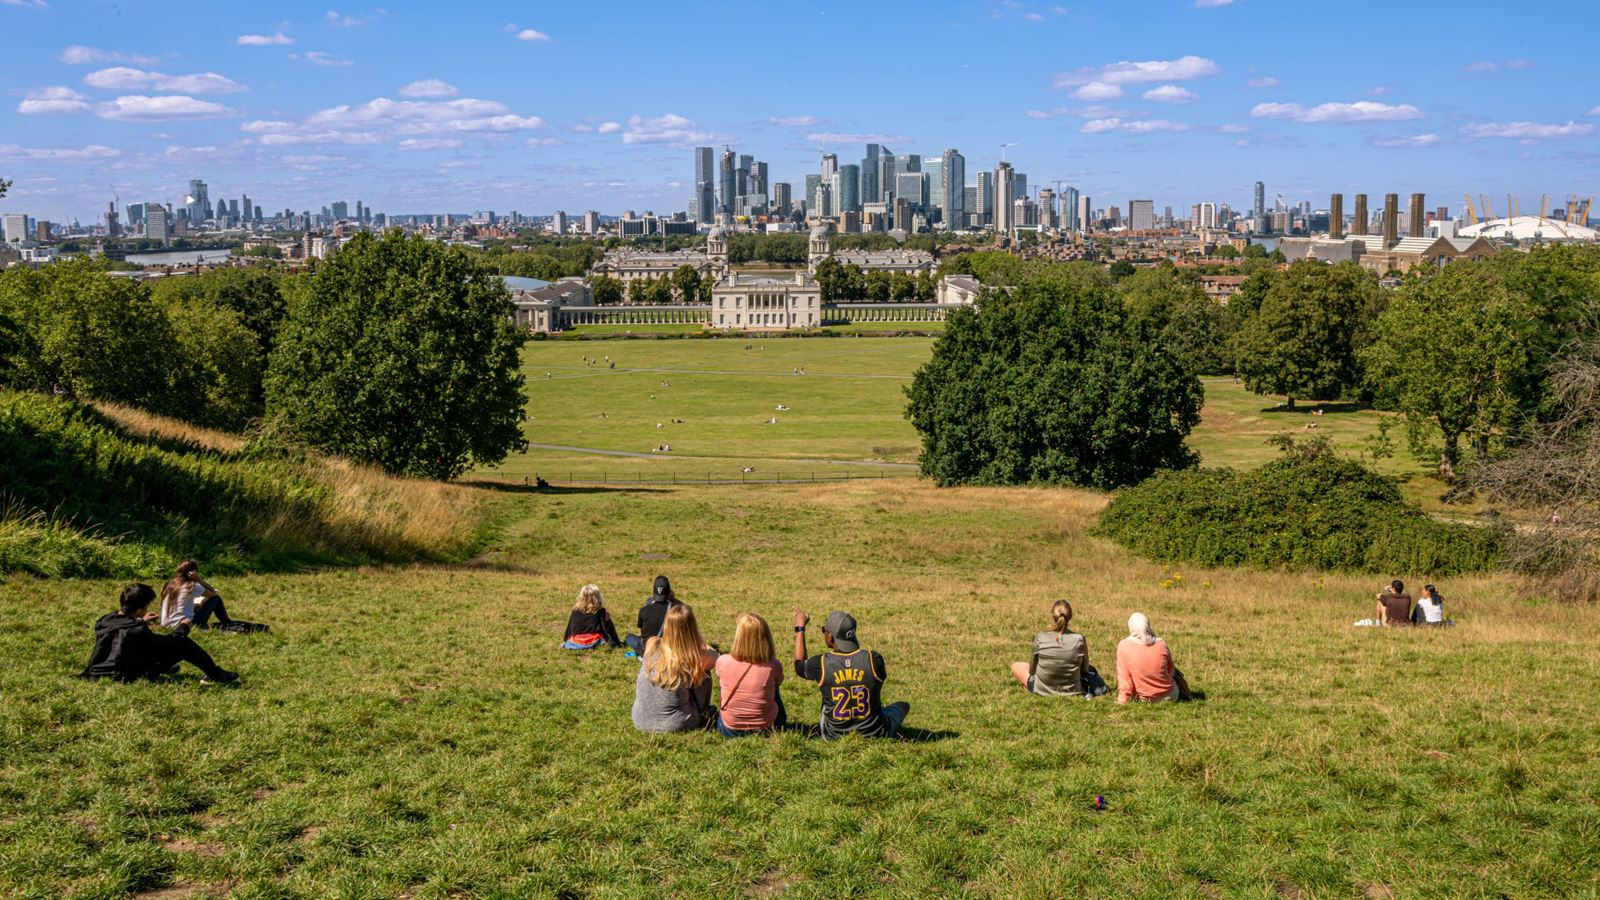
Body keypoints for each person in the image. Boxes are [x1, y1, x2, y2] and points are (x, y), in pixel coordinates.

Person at [81, 584, 238, 684]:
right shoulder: (138, 630)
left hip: (97, 671)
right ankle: (217, 675)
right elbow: (170, 641)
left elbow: (123, 627)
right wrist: (184, 627)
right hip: (123, 675)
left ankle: (169, 669)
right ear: (139, 609)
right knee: (183, 644)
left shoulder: (104, 620)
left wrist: (141, 620)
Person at [792, 608, 909, 739]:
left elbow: (799, 664)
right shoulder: (874, 660)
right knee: (903, 706)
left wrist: (800, 628)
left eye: (824, 630)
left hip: (833, 736)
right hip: (876, 733)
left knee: (827, 698)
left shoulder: (820, 664)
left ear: (830, 637)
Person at [631, 603, 718, 733]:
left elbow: (658, 640)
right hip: (677, 723)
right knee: (704, 671)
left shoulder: (652, 644)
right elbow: (715, 656)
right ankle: (703, 712)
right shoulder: (691, 657)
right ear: (692, 629)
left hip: (640, 720)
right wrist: (697, 639)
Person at [1008, 600, 1108, 698]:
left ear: (1053, 616)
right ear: (1070, 617)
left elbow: (1032, 671)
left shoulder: (1040, 637)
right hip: (1073, 691)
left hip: (1042, 690)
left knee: (1016, 666)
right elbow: (1085, 669)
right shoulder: (1079, 639)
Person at [714, 613, 787, 737]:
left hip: (730, 729)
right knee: (773, 688)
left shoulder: (723, 661)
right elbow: (779, 682)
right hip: (767, 728)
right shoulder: (773, 665)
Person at [159, 560, 268, 633]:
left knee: (198, 604)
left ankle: (226, 623)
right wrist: (199, 579)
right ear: (193, 573)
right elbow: (213, 593)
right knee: (215, 599)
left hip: (166, 624)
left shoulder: (170, 584)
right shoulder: (192, 585)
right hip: (184, 625)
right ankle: (227, 623)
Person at [1115, 613, 1187, 704]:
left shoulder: (1124, 646)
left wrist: (1122, 700)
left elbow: (1124, 679)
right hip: (1171, 695)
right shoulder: (1161, 643)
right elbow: (1171, 670)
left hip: (1146, 699)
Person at [624, 575, 677, 653]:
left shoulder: (646, 605)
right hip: (668, 648)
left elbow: (642, 632)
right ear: (669, 592)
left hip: (647, 650)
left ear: (653, 591)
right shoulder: (676, 608)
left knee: (629, 637)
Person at [561, 584, 622, 650]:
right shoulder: (601, 611)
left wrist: (566, 640)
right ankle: (616, 641)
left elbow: (570, 628)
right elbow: (604, 630)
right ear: (598, 597)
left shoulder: (575, 611)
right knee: (608, 620)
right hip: (593, 641)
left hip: (576, 642)